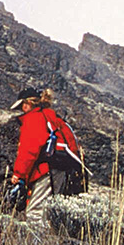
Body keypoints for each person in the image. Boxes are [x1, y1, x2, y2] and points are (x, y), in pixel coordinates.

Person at [9, 88, 81, 228]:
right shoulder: (51, 116)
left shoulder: (34, 118)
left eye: (21, 106)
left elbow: (29, 150)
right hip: (61, 170)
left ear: (27, 103)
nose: (21, 110)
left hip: (46, 170)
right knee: (50, 215)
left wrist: (19, 174)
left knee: (35, 214)